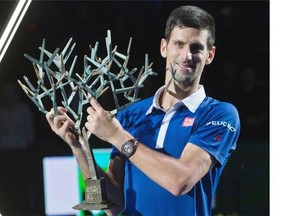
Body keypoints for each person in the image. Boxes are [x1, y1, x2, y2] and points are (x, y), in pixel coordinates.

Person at [46, 5, 240, 216]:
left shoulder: (219, 114)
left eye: (196, 47)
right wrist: (79, 148)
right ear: (164, 47)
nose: (187, 55)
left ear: (210, 55)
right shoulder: (131, 114)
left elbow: (180, 181)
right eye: (179, 44)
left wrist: (116, 135)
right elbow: (112, 205)